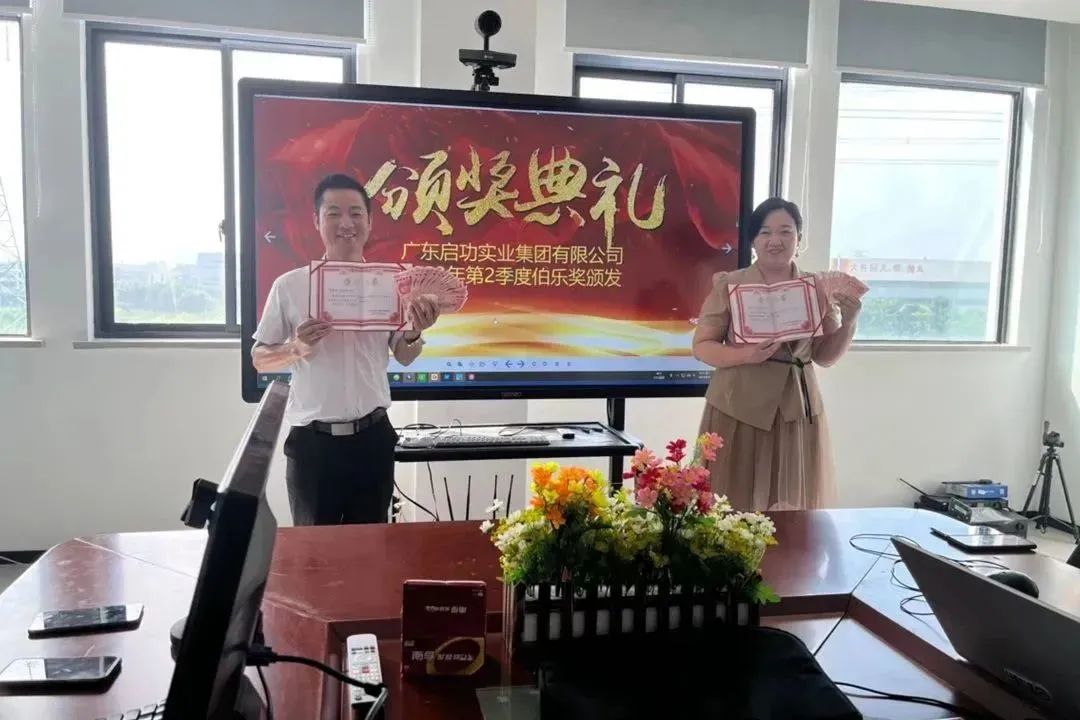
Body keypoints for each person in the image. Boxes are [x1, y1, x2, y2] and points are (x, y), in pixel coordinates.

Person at [251, 173, 439, 526]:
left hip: (373, 440)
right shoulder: (290, 286)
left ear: (369, 221)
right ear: (317, 221)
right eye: (333, 213)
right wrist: (297, 347)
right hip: (313, 446)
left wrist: (415, 331)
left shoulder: (391, 285)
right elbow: (260, 359)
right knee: (314, 553)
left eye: (355, 213)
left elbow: (403, 355)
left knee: (370, 549)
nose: (346, 224)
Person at [691, 198, 860, 511]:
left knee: (794, 505)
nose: (775, 241)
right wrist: (746, 355)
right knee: (731, 501)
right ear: (753, 240)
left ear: (799, 238)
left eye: (785, 232)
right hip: (738, 406)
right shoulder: (730, 284)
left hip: (797, 408)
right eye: (765, 232)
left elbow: (824, 356)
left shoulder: (816, 288)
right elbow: (702, 345)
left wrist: (849, 322)